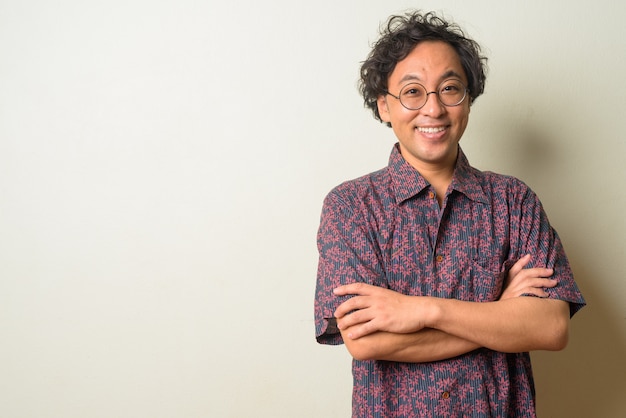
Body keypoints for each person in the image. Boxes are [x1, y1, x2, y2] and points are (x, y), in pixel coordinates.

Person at [313, 10, 585, 417]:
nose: (434, 109)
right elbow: (366, 341)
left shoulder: (514, 201)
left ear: (469, 100)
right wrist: (498, 315)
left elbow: (551, 326)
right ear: (384, 106)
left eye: (450, 88)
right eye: (413, 92)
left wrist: (422, 309)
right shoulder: (350, 207)